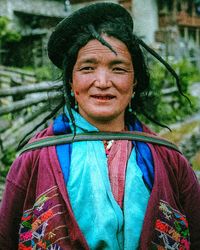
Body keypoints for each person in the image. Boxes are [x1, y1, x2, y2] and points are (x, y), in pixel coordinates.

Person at [0, 2, 200, 249]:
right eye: (87, 68)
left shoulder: (170, 160)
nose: (103, 82)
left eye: (118, 69)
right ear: (71, 82)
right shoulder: (32, 161)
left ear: (134, 81)